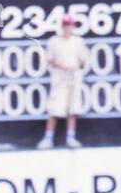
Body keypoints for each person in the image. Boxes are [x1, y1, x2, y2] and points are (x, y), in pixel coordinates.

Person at [38, 14, 88, 149]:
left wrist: (76, 67)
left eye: (70, 25)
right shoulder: (54, 41)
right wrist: (63, 66)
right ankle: (48, 139)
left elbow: (83, 60)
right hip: (59, 80)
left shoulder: (78, 42)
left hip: (74, 79)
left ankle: (71, 138)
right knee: (55, 109)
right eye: (65, 25)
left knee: (73, 109)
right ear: (61, 26)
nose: (68, 28)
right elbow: (50, 59)